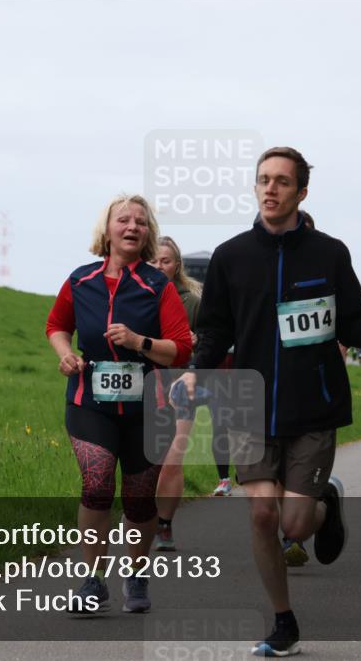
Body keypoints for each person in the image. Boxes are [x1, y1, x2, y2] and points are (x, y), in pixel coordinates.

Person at [172, 147, 361, 656]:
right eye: (263, 180)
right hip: (248, 402)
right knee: (263, 516)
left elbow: (352, 322)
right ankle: (283, 620)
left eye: (282, 182)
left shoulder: (329, 254)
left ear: (301, 192)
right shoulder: (231, 256)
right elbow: (214, 328)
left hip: (313, 404)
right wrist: (198, 374)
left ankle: (324, 502)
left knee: (293, 524)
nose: (270, 189)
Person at [45, 195, 192, 614]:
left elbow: (180, 350)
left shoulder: (158, 286)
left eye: (140, 223)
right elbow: (57, 325)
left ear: (148, 234)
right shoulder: (81, 280)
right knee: (96, 483)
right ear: (106, 229)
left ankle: (136, 575)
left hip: (148, 410)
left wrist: (139, 342)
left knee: (140, 499)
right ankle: (92, 581)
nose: (132, 227)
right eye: (123, 220)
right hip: (89, 402)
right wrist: (65, 354)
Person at [152, 235, 203, 551]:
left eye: (165, 261)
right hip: (144, 385)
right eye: (153, 261)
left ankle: (164, 525)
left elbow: (212, 342)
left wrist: (196, 350)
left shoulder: (193, 302)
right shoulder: (135, 294)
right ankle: (142, 518)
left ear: (177, 265)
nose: (159, 266)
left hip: (182, 385)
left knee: (172, 458)